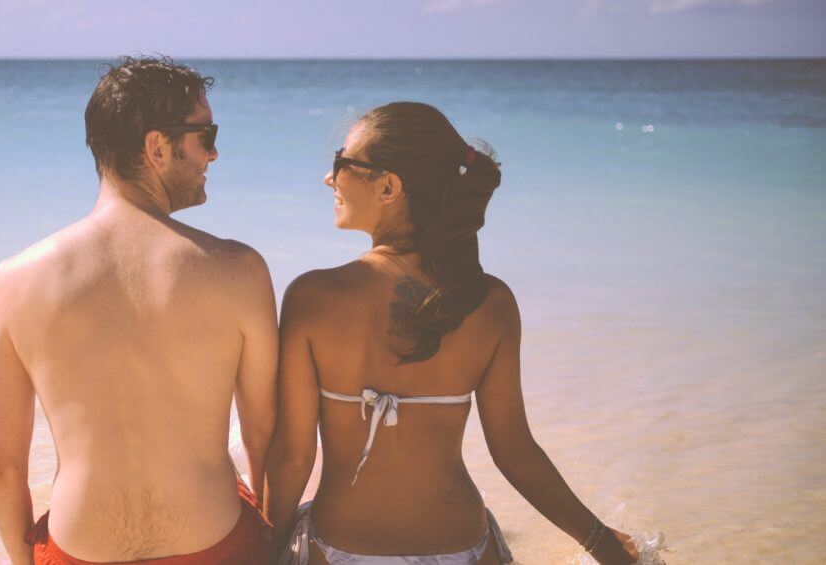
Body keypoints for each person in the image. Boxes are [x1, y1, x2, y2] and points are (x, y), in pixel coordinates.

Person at [264, 102, 645, 564]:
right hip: (464, 548)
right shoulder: (490, 302)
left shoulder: (314, 297)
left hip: (340, 548)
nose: (330, 179)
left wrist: (264, 551)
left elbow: (291, 457)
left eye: (342, 164)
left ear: (388, 186)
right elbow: (515, 452)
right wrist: (599, 541)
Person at [0, 56, 278, 565]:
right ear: (157, 147)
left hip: (80, 552)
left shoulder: (13, 280)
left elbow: (1, 470)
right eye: (206, 135)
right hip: (215, 547)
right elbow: (263, 439)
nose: (215, 153)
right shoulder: (238, 269)